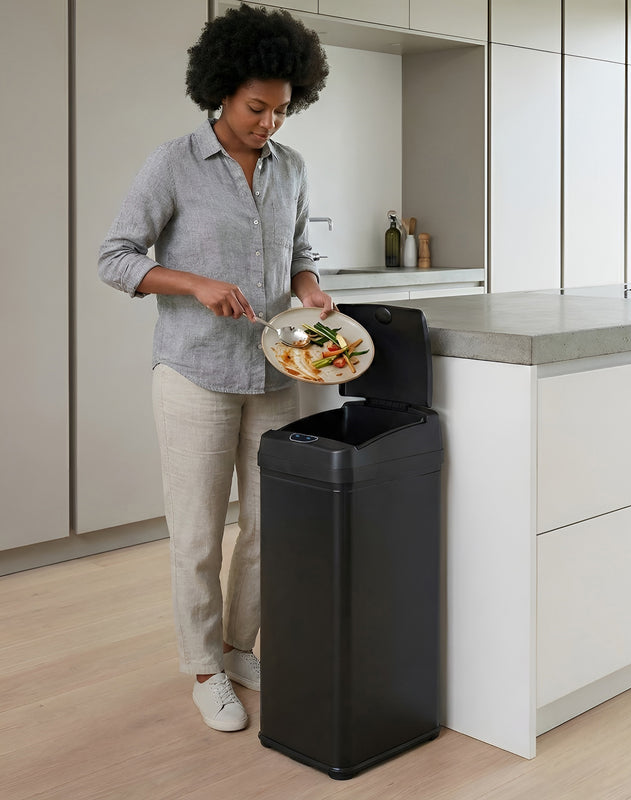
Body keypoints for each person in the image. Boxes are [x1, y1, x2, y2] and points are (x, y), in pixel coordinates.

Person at [98, 5, 332, 732]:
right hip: (196, 372)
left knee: (267, 529)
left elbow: (298, 254)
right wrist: (193, 282)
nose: (268, 123)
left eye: (282, 111)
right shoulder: (171, 163)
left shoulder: (290, 169)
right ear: (222, 92)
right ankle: (203, 669)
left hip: (276, 374)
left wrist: (311, 290)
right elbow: (115, 258)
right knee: (198, 533)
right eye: (256, 108)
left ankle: (237, 649)